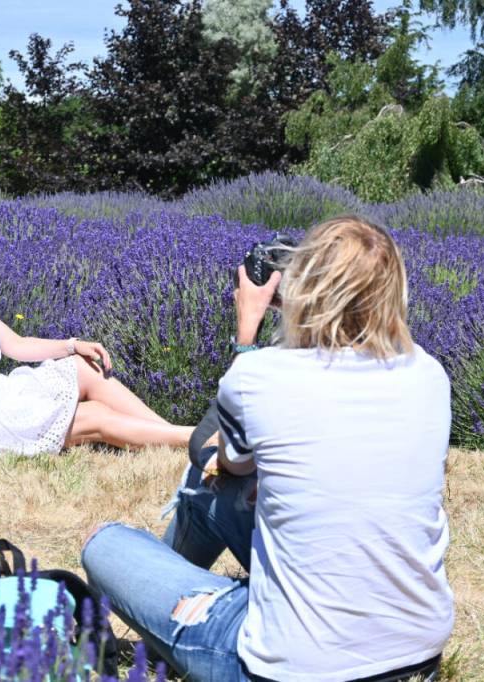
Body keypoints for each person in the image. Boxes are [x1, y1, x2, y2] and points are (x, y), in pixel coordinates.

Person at [82, 216, 454, 681]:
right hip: (417, 657)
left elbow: (224, 456)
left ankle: (173, 610)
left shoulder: (262, 376)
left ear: (306, 290)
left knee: (105, 544)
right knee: (216, 484)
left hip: (289, 669)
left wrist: (248, 333)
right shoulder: (430, 375)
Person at [0, 207, 194, 456]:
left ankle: (176, 438)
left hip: (0, 394)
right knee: (94, 415)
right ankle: (196, 440)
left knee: (84, 367)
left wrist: (74, 345)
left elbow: (16, 346)